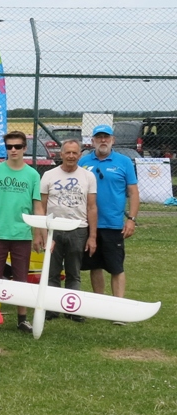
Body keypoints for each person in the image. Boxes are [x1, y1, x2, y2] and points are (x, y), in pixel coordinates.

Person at [0, 131, 45, 334]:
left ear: (25, 148)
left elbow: (38, 207)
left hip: (22, 235)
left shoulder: (33, 175)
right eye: (9, 147)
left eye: (17, 146)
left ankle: (22, 319)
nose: (13, 150)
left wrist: (39, 234)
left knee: (21, 279)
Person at [79, 124, 139, 310]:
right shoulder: (83, 162)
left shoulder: (124, 162)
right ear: (93, 141)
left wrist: (131, 219)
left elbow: (133, 192)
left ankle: (118, 307)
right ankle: (100, 305)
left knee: (116, 266)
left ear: (113, 140)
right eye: (99, 137)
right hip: (88, 224)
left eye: (106, 137)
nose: (103, 140)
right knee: (94, 264)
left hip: (113, 224)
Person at [40, 139, 98, 323]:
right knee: (52, 272)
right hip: (54, 230)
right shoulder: (48, 175)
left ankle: (73, 309)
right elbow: (41, 206)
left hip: (78, 230)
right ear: (61, 154)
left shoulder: (88, 177)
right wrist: (42, 232)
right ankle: (52, 308)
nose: (71, 156)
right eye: (68, 152)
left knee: (74, 273)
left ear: (80, 155)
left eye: (74, 153)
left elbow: (92, 207)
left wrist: (92, 236)